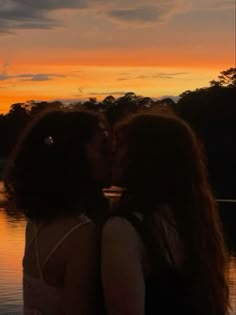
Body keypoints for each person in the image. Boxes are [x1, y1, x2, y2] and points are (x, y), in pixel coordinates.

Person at [102, 112, 230, 315]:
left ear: (144, 157)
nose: (113, 154)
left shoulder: (123, 230)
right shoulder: (196, 224)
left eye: (121, 146)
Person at [4, 109, 111, 315]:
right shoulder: (81, 235)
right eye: (101, 147)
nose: (109, 154)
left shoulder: (36, 223)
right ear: (76, 157)